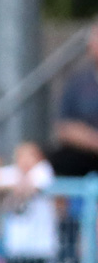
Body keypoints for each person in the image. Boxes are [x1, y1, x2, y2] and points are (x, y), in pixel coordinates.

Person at [48, 25, 98, 177]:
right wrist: (93, 140)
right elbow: (63, 127)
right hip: (85, 153)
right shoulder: (77, 82)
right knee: (57, 161)